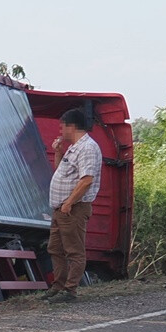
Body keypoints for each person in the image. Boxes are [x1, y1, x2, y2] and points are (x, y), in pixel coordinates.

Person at [45, 107, 101, 302]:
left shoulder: (87, 148)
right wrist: (58, 153)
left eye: (62, 127)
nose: (61, 131)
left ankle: (70, 290)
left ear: (71, 126)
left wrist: (69, 202)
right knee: (56, 248)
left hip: (73, 209)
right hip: (61, 209)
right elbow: (62, 171)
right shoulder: (73, 147)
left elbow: (86, 180)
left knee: (74, 250)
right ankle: (58, 286)